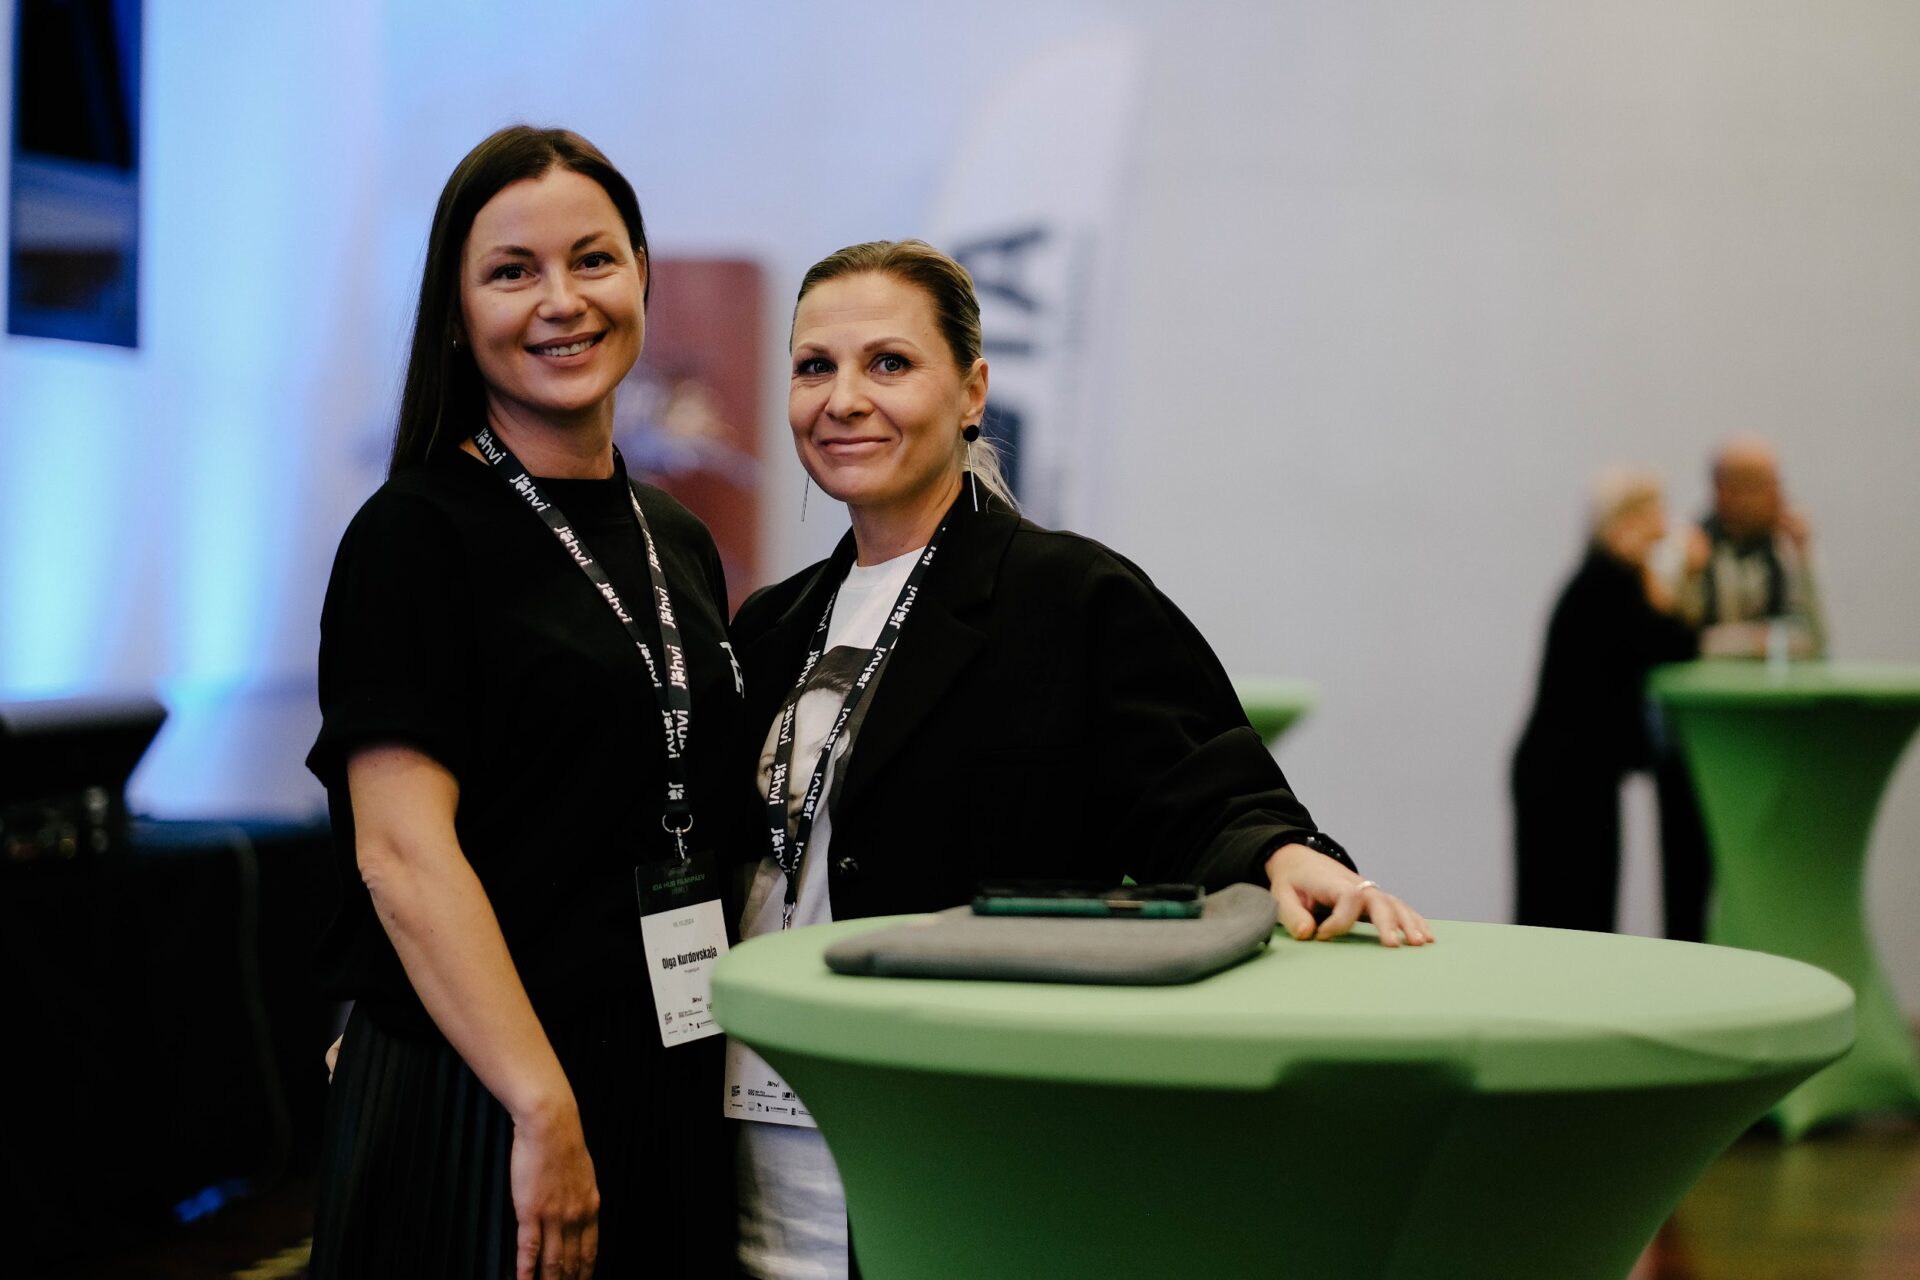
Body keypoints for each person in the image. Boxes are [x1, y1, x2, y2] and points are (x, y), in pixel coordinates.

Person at [725, 240, 1432, 1280]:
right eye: (814, 367)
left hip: (946, 1147)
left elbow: (1199, 786)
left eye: (889, 363)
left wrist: (1283, 851)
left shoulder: (1070, 598)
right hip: (748, 1144)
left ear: (972, 392)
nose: (844, 399)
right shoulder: (769, 626)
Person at [305, 126, 742, 1280]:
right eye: (512, 271)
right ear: (457, 314)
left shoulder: (677, 538)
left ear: (642, 272)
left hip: (664, 1062)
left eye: (593, 259)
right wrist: (541, 1102)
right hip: (486, 1087)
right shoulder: (413, 533)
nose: (562, 300)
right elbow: (402, 855)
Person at [1511, 467, 1703, 933]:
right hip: (1567, 777)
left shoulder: (1606, 579)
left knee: (1579, 912)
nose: (1665, 526)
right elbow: (1672, 643)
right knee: (1571, 915)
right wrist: (1679, 573)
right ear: (1627, 520)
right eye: (1654, 513)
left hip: (1577, 773)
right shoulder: (1608, 581)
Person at [1651, 435, 1824, 940]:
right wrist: (1754, 640)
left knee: (1761, 877)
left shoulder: (1784, 551)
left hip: (1764, 735)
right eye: (1761, 485)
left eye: (1775, 484)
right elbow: (1672, 639)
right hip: (1694, 738)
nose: (1776, 497)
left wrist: (1805, 559)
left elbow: (1814, 640)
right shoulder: (1687, 546)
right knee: (1687, 876)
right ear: (1725, 491)